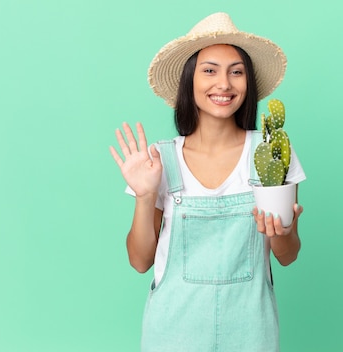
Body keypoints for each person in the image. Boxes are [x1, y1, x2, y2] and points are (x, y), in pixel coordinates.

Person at [109, 12, 306, 352]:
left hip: (250, 332)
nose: (224, 84)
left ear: (248, 82)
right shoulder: (159, 160)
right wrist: (145, 195)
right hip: (172, 333)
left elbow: (287, 257)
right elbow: (140, 261)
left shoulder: (271, 152)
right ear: (190, 80)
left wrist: (284, 232)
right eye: (210, 70)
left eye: (237, 72)